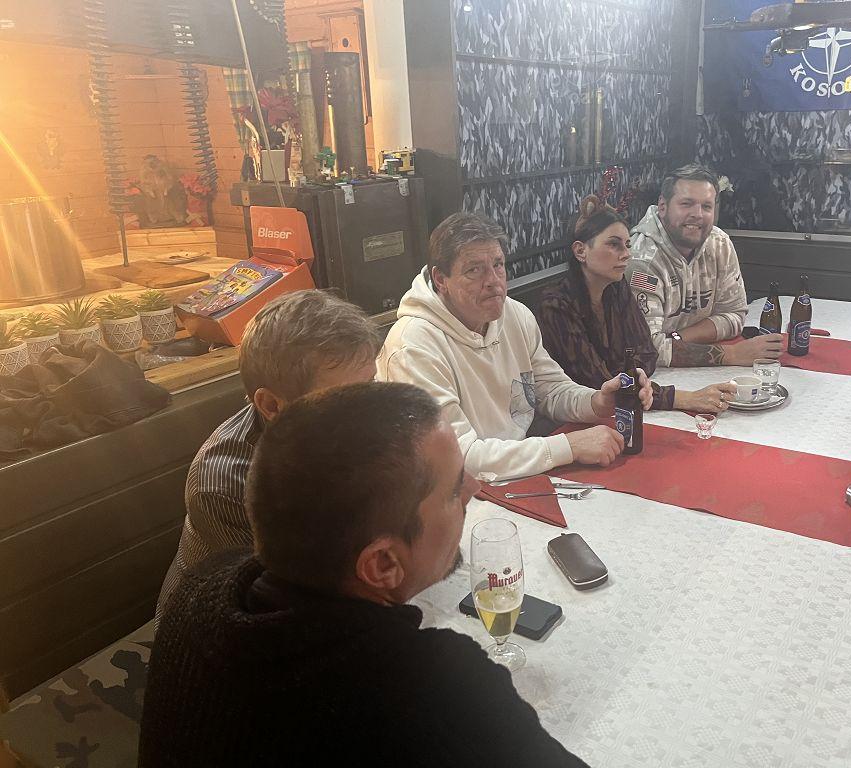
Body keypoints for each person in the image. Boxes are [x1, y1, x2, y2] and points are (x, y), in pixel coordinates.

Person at [139, 383, 589, 767]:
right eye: (454, 490)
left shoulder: (198, 593)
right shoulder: (435, 688)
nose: (474, 488)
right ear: (383, 565)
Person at [377, 212, 653, 482]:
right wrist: (567, 447)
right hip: (449, 491)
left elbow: (549, 391)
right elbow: (455, 457)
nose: (493, 281)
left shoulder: (515, 314)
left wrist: (598, 402)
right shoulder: (414, 346)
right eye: (474, 270)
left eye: (498, 265)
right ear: (440, 279)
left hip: (516, 470)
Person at [155, 290, 379, 621]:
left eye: (370, 386)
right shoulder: (226, 485)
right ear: (272, 405)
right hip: (220, 632)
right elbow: (283, 607)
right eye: (342, 401)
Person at [538, 195, 736, 414]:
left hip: (625, 406)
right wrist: (681, 398)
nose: (626, 254)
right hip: (575, 418)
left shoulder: (616, 287)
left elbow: (647, 353)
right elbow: (600, 385)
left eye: (627, 245)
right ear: (580, 251)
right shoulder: (556, 306)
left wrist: (627, 377)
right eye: (614, 244)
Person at [628, 164, 784, 368]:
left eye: (706, 206)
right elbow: (647, 350)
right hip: (651, 376)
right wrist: (731, 354)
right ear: (663, 206)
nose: (698, 214)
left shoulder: (719, 243)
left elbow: (735, 315)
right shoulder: (642, 259)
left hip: (696, 367)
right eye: (687, 204)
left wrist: (677, 338)